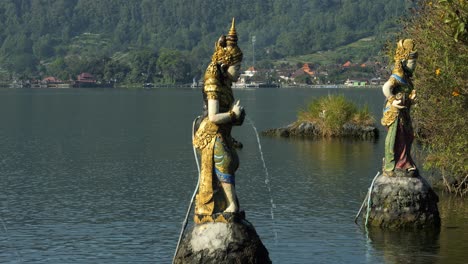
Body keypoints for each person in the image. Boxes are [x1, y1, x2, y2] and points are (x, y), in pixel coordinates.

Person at [192, 18, 246, 224]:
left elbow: (227, 115)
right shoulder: (213, 81)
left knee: (233, 162)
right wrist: (233, 115)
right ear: (226, 65)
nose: (240, 73)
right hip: (211, 134)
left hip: (223, 132)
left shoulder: (226, 84)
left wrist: (237, 117)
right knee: (226, 162)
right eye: (238, 68)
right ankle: (231, 205)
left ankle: (225, 203)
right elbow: (214, 116)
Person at [381, 39, 418, 177]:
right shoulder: (399, 74)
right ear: (404, 60)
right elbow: (386, 87)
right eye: (411, 62)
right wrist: (392, 101)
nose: (413, 65)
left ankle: (405, 162)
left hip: (404, 110)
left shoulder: (407, 77)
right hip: (394, 111)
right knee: (397, 136)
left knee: (408, 135)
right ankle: (394, 164)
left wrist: (411, 100)